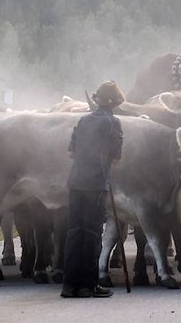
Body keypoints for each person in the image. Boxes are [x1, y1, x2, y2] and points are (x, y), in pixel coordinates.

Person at [61, 80, 124, 298]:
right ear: (114, 103)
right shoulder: (113, 123)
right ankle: (89, 285)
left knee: (74, 233)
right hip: (96, 184)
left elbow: (71, 153)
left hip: (75, 182)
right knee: (92, 234)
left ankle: (69, 286)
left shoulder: (83, 120)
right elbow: (116, 159)